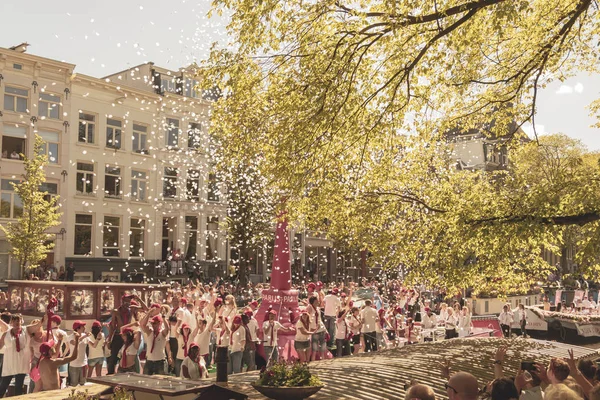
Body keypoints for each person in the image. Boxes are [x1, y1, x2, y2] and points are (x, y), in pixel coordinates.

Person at [0, 314, 40, 396]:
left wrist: (44, 319)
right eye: (14, 320)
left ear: (21, 321)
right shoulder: (7, 333)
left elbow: (37, 325)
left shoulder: (26, 330)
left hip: (21, 364)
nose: (17, 322)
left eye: (18, 320)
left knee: (19, 387)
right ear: (11, 322)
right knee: (3, 386)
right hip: (9, 364)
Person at [107, 294, 133, 374]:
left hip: (127, 335)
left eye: (129, 302)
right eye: (126, 301)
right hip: (118, 335)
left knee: (127, 355)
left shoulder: (130, 311)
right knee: (113, 356)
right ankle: (110, 373)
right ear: (122, 301)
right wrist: (109, 340)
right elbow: (113, 326)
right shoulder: (116, 311)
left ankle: (124, 372)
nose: (128, 304)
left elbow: (126, 326)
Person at [140, 309, 170, 376]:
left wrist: (163, 318)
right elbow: (143, 325)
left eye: (155, 323)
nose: (153, 325)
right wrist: (148, 313)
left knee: (161, 382)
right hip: (149, 361)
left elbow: (167, 329)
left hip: (160, 362)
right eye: (152, 323)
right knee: (146, 380)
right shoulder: (150, 332)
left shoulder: (162, 333)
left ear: (160, 323)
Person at [68, 320, 92, 386]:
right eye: (83, 327)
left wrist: (98, 339)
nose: (84, 328)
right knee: (73, 384)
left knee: (83, 383)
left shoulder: (85, 335)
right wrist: (84, 336)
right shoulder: (71, 337)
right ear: (78, 328)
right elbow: (74, 343)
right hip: (74, 364)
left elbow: (93, 345)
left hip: (84, 363)